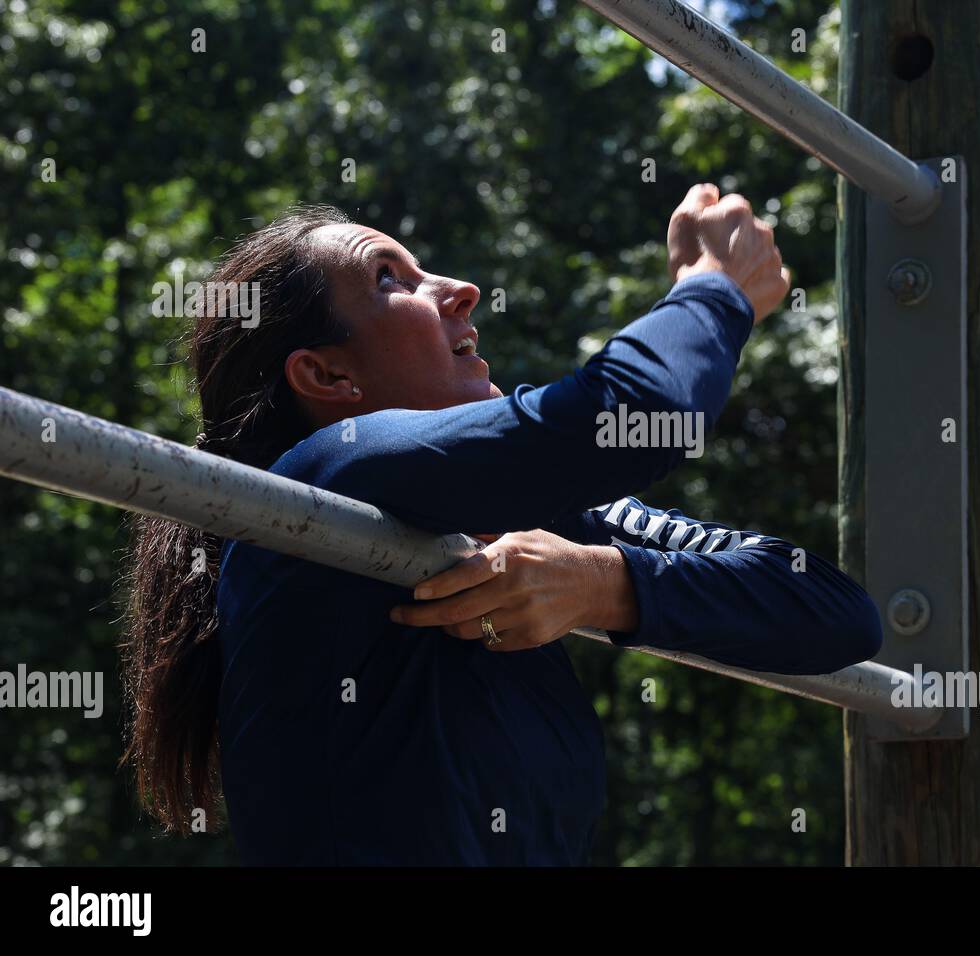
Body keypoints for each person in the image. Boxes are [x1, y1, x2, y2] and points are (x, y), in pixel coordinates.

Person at [122, 185, 884, 865]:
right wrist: (714, 291)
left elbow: (835, 614)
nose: (461, 290)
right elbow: (636, 413)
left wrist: (607, 585)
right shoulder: (323, 473)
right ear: (326, 377)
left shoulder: (520, 520)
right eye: (391, 279)